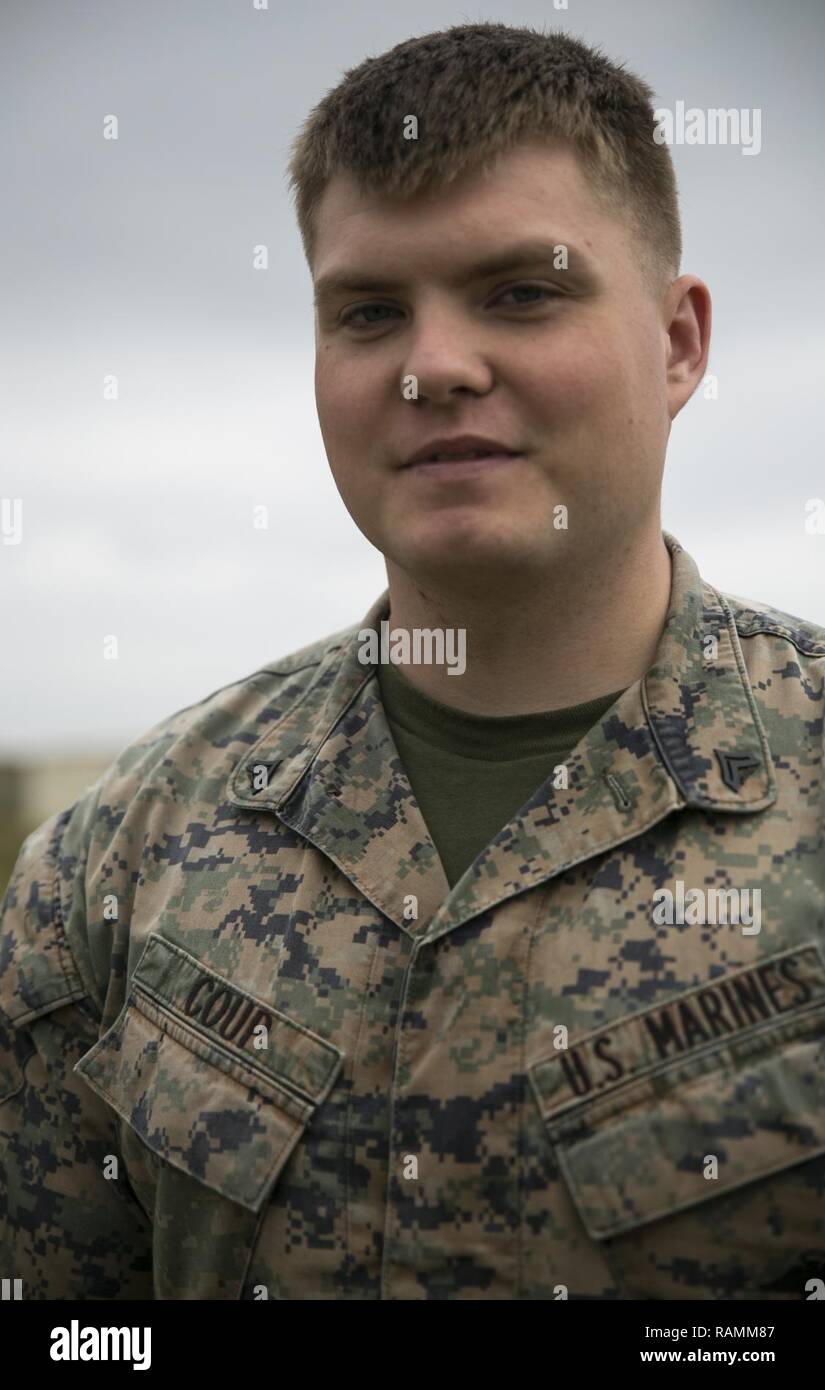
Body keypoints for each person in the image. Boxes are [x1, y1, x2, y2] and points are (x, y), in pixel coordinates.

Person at [2, 22, 824, 1302]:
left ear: (678, 344)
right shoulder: (123, 861)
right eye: (371, 311)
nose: (434, 367)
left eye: (523, 292)